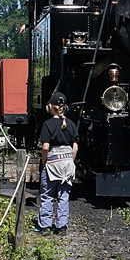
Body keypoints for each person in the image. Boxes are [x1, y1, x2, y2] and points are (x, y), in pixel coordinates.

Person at [37, 92, 78, 235]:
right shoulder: (71, 124)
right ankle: (62, 227)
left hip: (52, 163)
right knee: (64, 196)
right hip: (67, 164)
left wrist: (44, 162)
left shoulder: (47, 125)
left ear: (50, 107)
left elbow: (45, 147)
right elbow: (75, 147)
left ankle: (45, 226)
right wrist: (70, 162)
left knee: (47, 195)